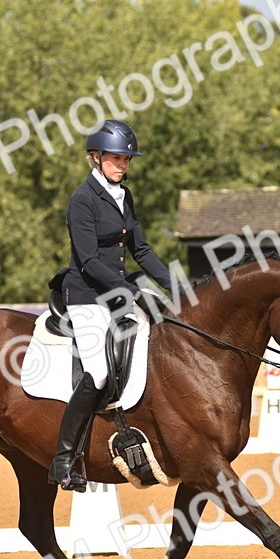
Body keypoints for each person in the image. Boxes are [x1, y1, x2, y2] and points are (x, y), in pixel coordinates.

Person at [49, 119, 174, 491]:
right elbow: (88, 260)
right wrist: (129, 290)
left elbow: (142, 250)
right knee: (99, 373)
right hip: (86, 295)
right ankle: (63, 460)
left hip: (117, 291)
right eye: (116, 158)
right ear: (96, 156)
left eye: (126, 159)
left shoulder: (124, 196)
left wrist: (177, 287)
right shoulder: (82, 199)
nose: (123, 165)